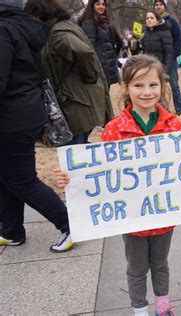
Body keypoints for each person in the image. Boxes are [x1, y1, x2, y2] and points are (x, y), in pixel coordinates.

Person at [56, 54, 181, 316]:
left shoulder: (173, 126)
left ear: (162, 87)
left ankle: (162, 307)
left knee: (161, 264)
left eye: (153, 85)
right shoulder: (113, 130)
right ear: (125, 88)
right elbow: (98, 172)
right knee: (136, 267)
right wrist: (71, 178)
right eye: (138, 85)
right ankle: (140, 310)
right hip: (131, 220)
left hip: (165, 217)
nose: (146, 92)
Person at [0, 0, 72, 252]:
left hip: (11, 117)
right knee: (6, 177)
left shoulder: (3, 30)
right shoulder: (24, 27)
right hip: (26, 111)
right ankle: (11, 230)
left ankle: (69, 225)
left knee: (22, 180)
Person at [25, 0, 114, 146]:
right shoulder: (64, 26)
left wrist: (90, 76)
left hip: (77, 103)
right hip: (80, 100)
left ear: (40, 13)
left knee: (75, 153)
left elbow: (83, 51)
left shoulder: (57, 32)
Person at [79, 0, 122, 87]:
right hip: (97, 69)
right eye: (97, 4)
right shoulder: (89, 23)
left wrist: (112, 57)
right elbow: (89, 48)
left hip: (105, 67)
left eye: (103, 4)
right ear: (92, 6)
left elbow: (118, 43)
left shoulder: (105, 23)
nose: (101, 6)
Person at [154, 0, 181, 117]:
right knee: (158, 86)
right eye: (156, 5)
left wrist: (174, 54)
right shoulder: (153, 21)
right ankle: (162, 109)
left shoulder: (171, 21)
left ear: (164, 7)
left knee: (174, 85)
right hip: (157, 60)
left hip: (170, 59)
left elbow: (178, 39)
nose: (158, 6)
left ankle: (179, 110)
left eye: (160, 4)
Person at [142, 11, 174, 78]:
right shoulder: (145, 34)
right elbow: (144, 52)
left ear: (157, 20)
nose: (149, 20)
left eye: (152, 18)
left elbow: (169, 53)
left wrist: (166, 71)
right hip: (148, 68)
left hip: (160, 68)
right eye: (147, 18)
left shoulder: (164, 33)